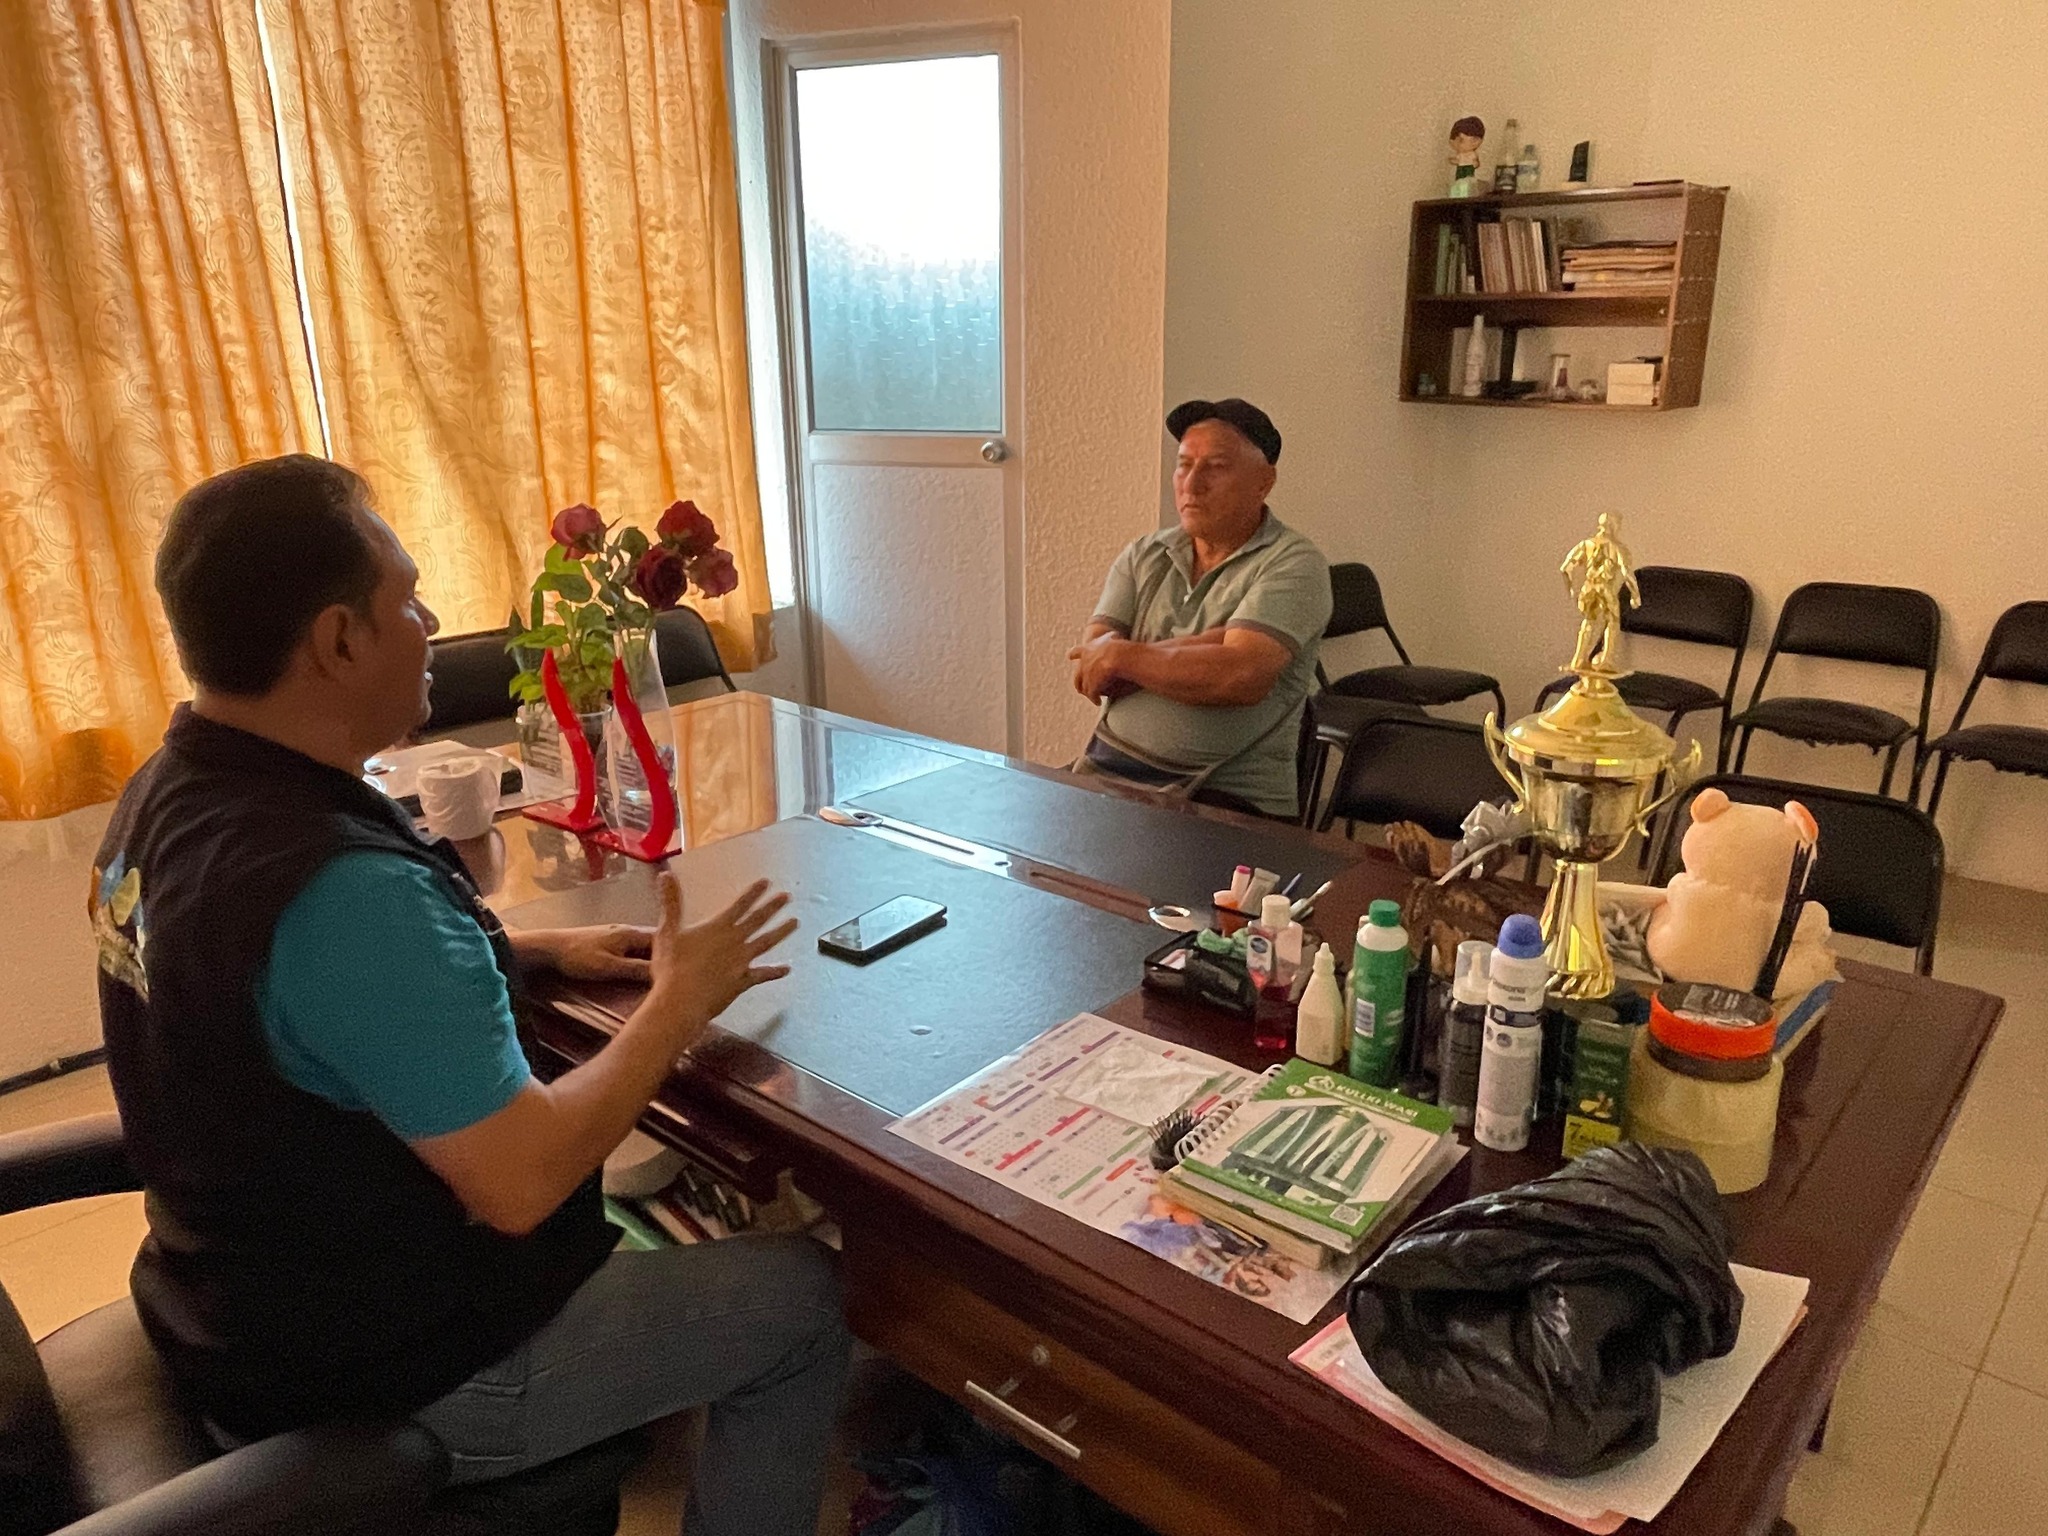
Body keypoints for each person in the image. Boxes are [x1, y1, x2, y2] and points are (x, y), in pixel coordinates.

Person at [92, 455, 849, 1536]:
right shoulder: (341, 892)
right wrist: (678, 1002)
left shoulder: (172, 792)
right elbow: (522, 1182)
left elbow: (266, 997)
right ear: (337, 641)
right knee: (803, 1301)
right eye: (406, 599)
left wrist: (529, 952)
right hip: (378, 1371)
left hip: (220, 1300)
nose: (432, 621)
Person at [1068, 399, 1332, 820]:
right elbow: (1094, 671)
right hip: (1110, 773)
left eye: (1216, 467)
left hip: (1227, 800)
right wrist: (1207, 646)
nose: (1192, 484)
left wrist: (1122, 655)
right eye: (1184, 465)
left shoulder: (1295, 563)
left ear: (1264, 482)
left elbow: (1238, 677)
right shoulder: (1144, 554)